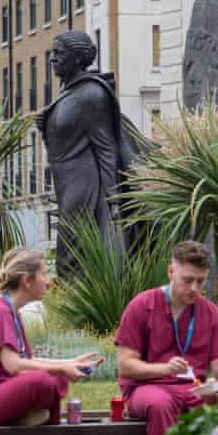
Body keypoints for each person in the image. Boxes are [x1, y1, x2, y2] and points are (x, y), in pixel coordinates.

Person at [0, 248, 103, 426]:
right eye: (44, 274)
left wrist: (68, 363)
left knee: (57, 378)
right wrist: (61, 368)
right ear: (27, 280)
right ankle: (25, 417)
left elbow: (27, 360)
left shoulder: (11, 311)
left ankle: (24, 416)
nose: (49, 281)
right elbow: (14, 365)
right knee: (41, 380)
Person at [35, 31, 144, 274]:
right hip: (67, 186)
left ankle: (75, 306)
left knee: (71, 258)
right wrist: (45, 124)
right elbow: (62, 147)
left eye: (58, 54)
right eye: (52, 54)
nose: (52, 59)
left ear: (76, 58)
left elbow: (107, 150)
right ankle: (70, 306)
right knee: (71, 257)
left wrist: (115, 202)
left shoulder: (91, 95)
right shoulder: (68, 94)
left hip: (86, 190)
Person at [115, 241, 218, 435]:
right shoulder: (142, 306)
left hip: (194, 388)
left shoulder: (211, 313)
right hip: (147, 388)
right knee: (160, 404)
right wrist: (166, 369)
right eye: (187, 280)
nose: (194, 288)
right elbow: (125, 366)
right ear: (171, 272)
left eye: (200, 281)